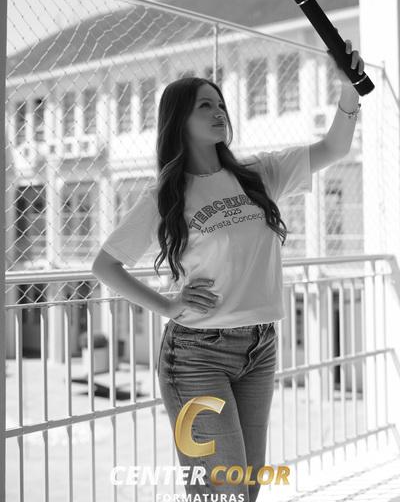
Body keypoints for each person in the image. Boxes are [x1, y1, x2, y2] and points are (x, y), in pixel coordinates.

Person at [92, 57, 362, 501]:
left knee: (245, 488)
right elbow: (105, 266)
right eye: (205, 106)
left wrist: (349, 88)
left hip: (260, 345)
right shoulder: (167, 195)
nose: (219, 112)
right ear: (179, 120)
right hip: (197, 355)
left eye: (220, 104)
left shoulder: (258, 174)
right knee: (223, 490)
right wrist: (168, 304)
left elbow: (334, 148)